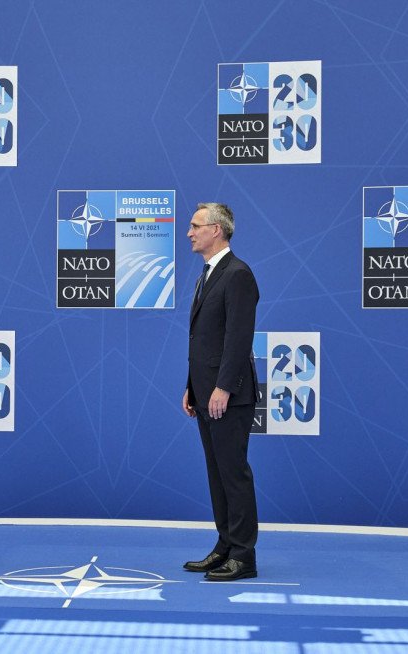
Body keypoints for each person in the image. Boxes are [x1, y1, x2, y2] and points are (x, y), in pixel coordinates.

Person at [181, 202, 261, 582]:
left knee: (233, 473)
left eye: (196, 226)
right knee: (217, 474)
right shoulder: (208, 274)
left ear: (217, 229)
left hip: (229, 395)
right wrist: (192, 388)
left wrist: (223, 388)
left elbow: (238, 337)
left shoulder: (238, 274)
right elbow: (204, 339)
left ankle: (244, 556)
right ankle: (225, 546)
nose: (189, 232)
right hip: (206, 392)